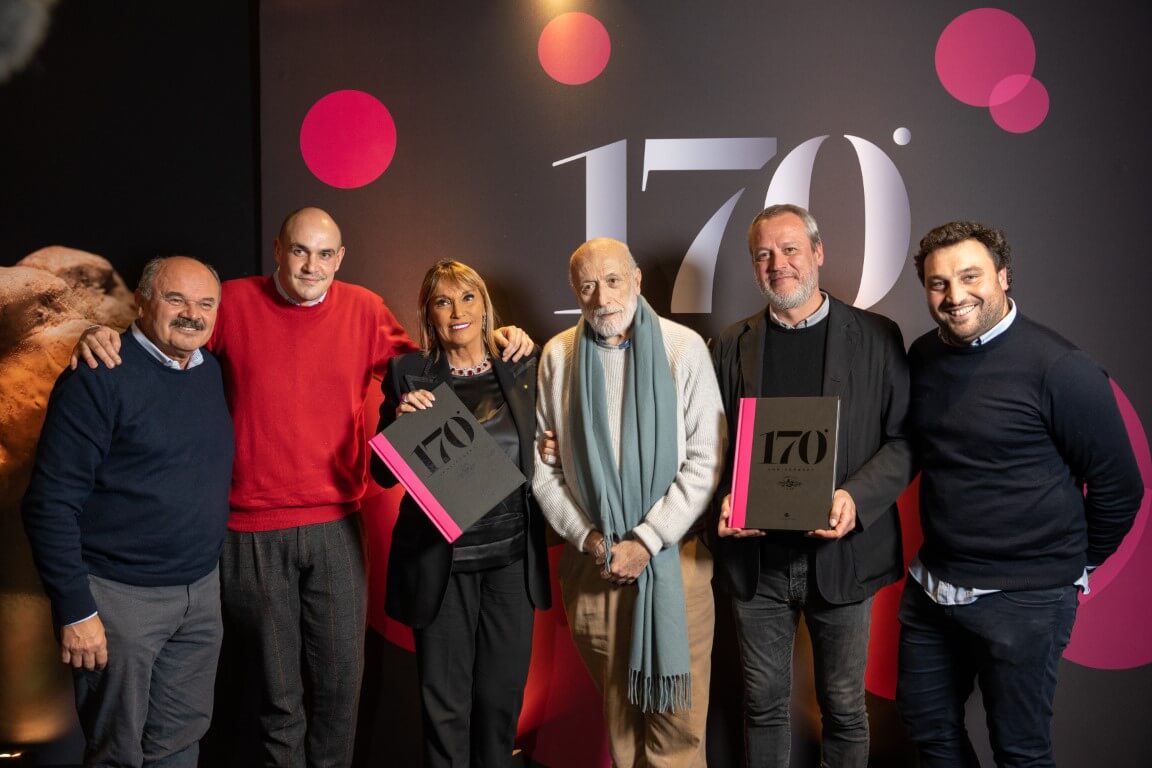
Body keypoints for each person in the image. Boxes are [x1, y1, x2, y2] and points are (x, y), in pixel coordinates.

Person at [70, 207, 534, 768]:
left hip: (336, 526)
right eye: (299, 250)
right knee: (278, 695)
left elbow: (434, 361)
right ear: (278, 249)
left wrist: (496, 337)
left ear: (340, 259)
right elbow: (166, 336)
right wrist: (102, 334)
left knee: (341, 690)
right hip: (250, 532)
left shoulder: (364, 309)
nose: (311, 265)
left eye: (324, 253)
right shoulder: (230, 302)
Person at [897, 221, 1143, 767]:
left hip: (1025, 600)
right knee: (929, 730)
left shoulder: (1061, 368)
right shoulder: (924, 355)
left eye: (970, 276)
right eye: (939, 283)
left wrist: (1063, 570)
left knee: (1020, 753)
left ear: (1003, 277)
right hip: (934, 588)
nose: (955, 296)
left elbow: (1120, 487)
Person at [710, 204, 912, 768]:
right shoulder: (731, 344)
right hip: (758, 563)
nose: (778, 264)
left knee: (844, 708)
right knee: (762, 706)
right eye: (764, 255)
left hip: (841, 557)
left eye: (790, 249)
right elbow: (709, 448)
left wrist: (855, 498)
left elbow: (904, 440)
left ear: (818, 253)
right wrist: (723, 501)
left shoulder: (876, 336)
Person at [23, 256, 234, 766]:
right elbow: (49, 503)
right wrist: (76, 609)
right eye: (176, 299)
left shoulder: (209, 371)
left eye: (205, 303)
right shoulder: (99, 376)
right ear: (141, 300)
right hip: (120, 601)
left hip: (200, 597)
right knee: (116, 752)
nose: (192, 314)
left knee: (180, 742)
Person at [533, 237, 725, 767]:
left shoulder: (683, 348)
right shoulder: (558, 357)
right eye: (588, 287)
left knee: (679, 731)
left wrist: (646, 540)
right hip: (596, 567)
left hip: (674, 563)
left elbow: (706, 461)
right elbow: (546, 473)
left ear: (636, 280)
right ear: (575, 292)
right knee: (620, 729)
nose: (602, 298)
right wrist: (592, 541)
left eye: (614, 281)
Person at [370, 260, 551, 766]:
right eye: (443, 301)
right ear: (429, 313)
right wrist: (398, 426)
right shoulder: (408, 373)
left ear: (485, 306)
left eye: (468, 298)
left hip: (511, 562)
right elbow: (381, 474)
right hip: (441, 564)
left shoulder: (522, 364)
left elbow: (549, 444)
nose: (457, 312)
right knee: (445, 708)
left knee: (499, 702)